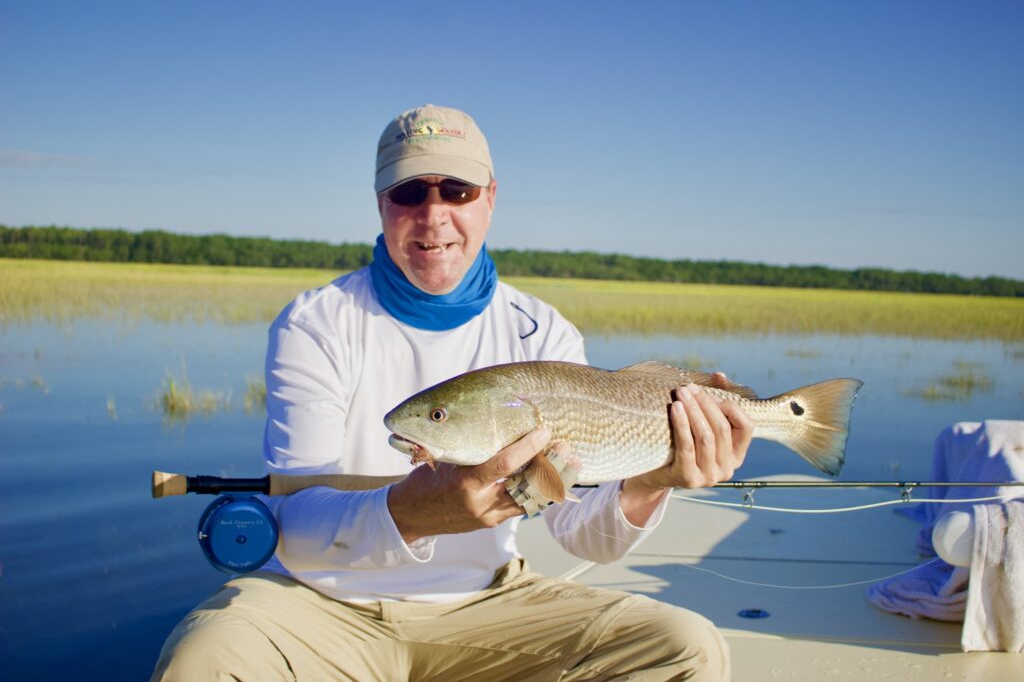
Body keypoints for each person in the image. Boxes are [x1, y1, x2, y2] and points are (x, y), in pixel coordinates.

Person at [152, 104, 753, 681]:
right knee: (204, 659)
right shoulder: (317, 322)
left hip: (489, 601)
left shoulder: (545, 332)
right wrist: (413, 512)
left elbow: (581, 533)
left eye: (457, 191)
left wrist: (651, 480)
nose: (433, 214)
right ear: (381, 203)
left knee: (686, 649)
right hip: (321, 602)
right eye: (409, 192)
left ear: (491, 198)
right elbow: (300, 528)